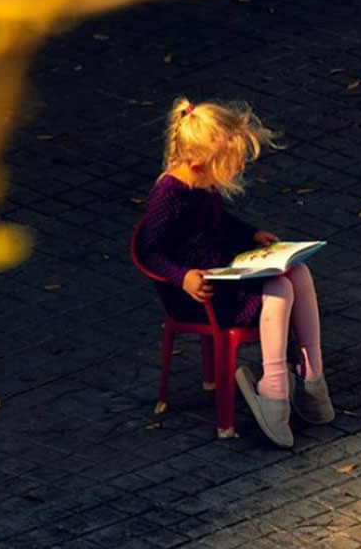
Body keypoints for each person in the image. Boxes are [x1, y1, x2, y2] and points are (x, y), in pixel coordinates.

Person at [136, 96, 334, 448]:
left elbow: (218, 222)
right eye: (229, 164)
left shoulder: (201, 184)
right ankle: (274, 387)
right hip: (201, 297)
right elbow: (149, 251)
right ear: (199, 163)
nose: (236, 171)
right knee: (280, 290)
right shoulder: (168, 195)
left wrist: (251, 235)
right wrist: (184, 278)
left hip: (224, 277)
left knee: (298, 273)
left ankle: (312, 375)